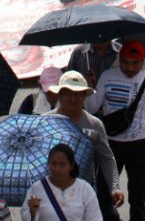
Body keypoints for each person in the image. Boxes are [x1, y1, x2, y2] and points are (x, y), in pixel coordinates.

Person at [85, 41, 145, 221]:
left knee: (138, 196)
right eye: (125, 62)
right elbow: (91, 107)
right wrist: (89, 90)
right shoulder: (107, 76)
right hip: (110, 145)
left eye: (135, 63)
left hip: (138, 146)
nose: (129, 67)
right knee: (104, 194)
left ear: (142, 62)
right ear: (120, 60)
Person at [44, 72, 124, 221]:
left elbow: (107, 158)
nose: (73, 99)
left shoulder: (95, 124)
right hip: (52, 190)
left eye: (78, 94)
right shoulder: (45, 122)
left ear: (85, 96)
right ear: (59, 94)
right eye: (67, 93)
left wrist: (115, 187)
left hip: (85, 190)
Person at [22, 143, 102, 221]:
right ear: (48, 164)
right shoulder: (36, 188)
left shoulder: (85, 189)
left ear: (71, 166)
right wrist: (32, 212)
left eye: (62, 164)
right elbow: (25, 218)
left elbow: (95, 218)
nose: (57, 168)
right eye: (54, 163)